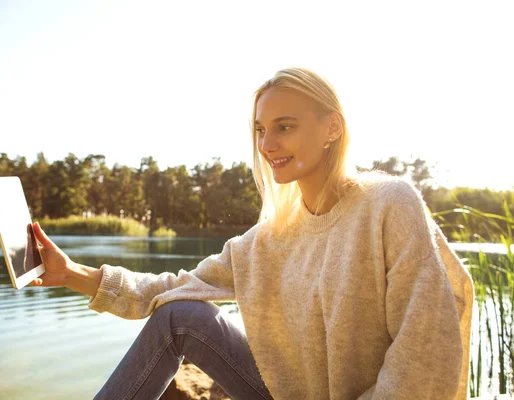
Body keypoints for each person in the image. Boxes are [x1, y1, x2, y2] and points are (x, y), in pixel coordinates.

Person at [29, 67, 474, 400]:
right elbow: (172, 288)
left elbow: (425, 349)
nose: (267, 144)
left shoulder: (389, 204)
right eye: (261, 130)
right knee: (179, 316)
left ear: (332, 128)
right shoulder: (271, 237)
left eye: (285, 127)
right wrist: (70, 273)